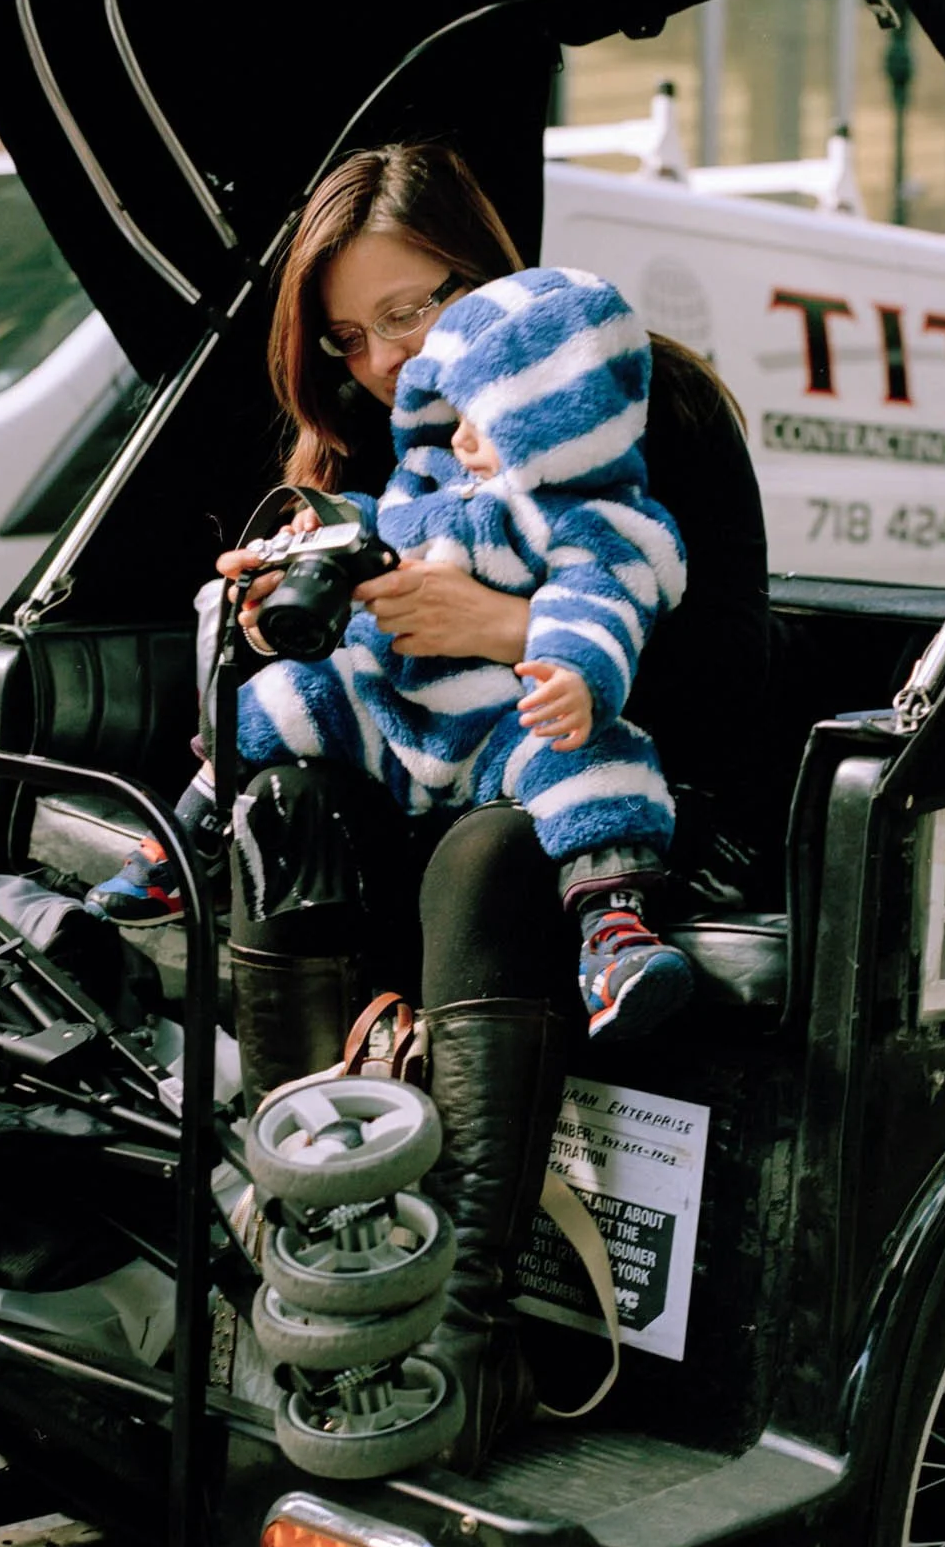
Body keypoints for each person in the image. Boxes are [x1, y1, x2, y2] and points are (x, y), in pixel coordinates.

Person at [168, 143, 768, 1472]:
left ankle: (460, 1334)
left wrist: (505, 630)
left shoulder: (637, 396)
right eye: (349, 337)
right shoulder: (366, 442)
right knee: (285, 800)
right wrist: (269, 620)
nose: (383, 359)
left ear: (481, 273)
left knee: (487, 855)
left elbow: (738, 666)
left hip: (607, 796)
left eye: (408, 311)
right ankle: (319, 1266)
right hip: (415, 783)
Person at [101, 266, 700, 1041]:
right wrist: (307, 552)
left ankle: (614, 934)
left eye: (484, 419)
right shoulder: (427, 483)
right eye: (348, 337)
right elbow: (374, 528)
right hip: (389, 710)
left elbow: (601, 596)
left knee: (599, 765)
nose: (459, 437)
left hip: (504, 728)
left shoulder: (593, 518)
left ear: (550, 416)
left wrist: (573, 670)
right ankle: (182, 843)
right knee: (279, 702)